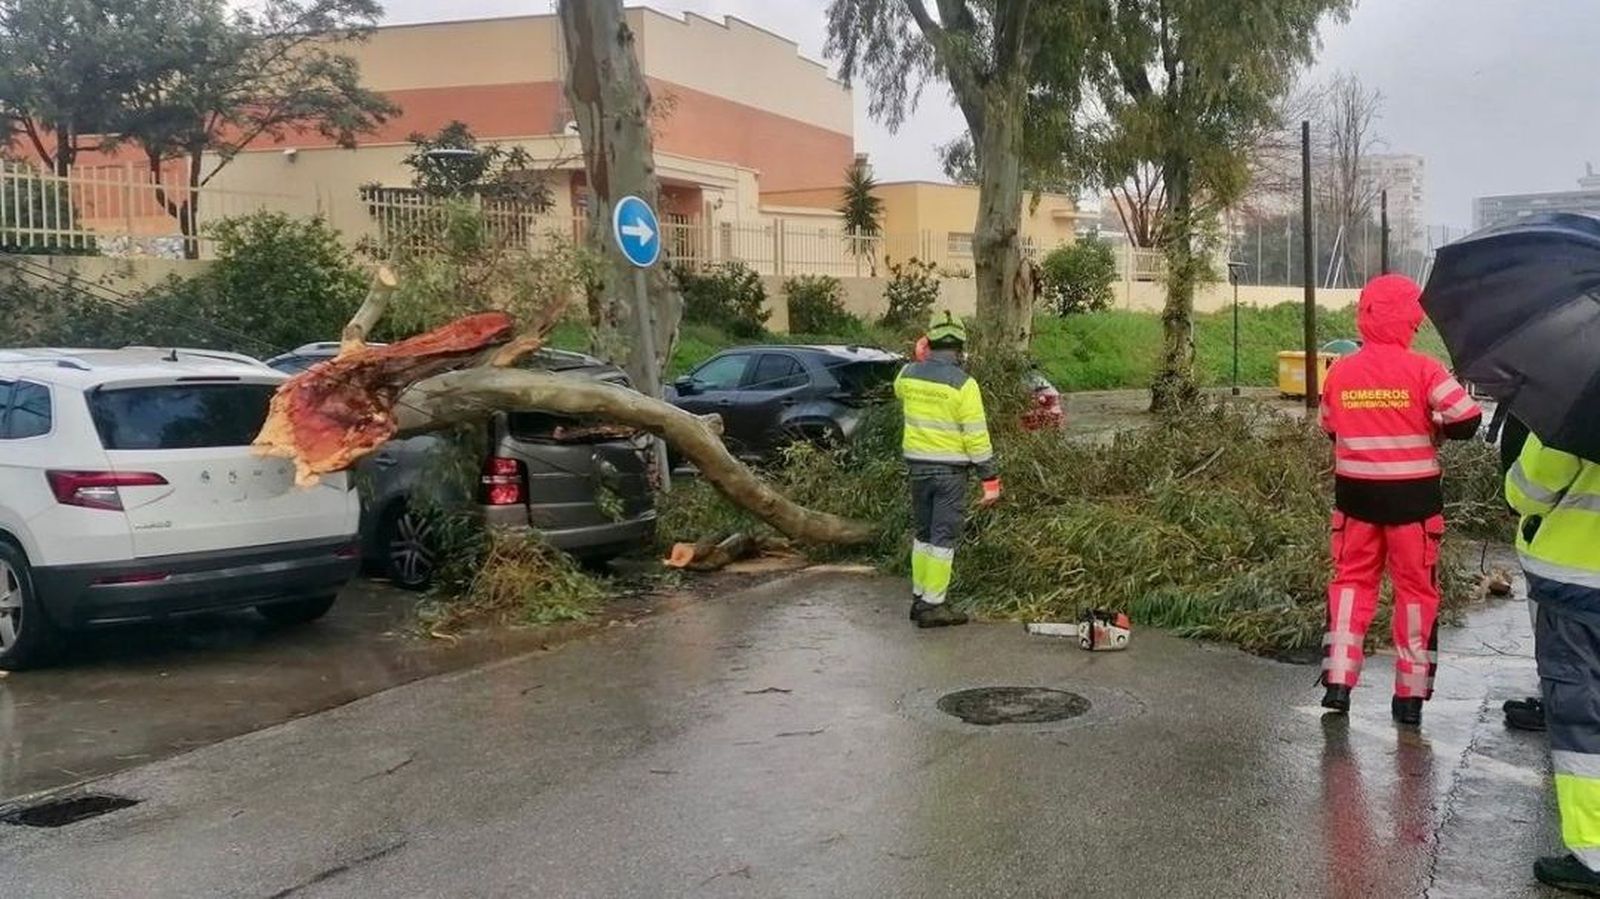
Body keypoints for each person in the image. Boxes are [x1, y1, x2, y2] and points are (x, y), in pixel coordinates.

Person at [1317, 274, 1484, 725]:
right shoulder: (1425, 369)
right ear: (1412, 316)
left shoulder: (1341, 371)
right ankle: (1408, 699)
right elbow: (1468, 418)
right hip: (1414, 506)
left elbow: (1330, 426)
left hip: (1355, 502)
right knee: (1415, 593)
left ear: (1365, 314)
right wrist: (1435, 426)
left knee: (1351, 585)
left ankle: (1338, 683)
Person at [1506, 433, 1600, 894]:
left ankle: (1593, 856)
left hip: (1578, 586)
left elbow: (1526, 490)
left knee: (1581, 721)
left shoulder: (1581, 402)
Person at [894, 311, 1001, 629]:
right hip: (950, 474)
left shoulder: (908, 375)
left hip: (918, 469)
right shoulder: (965, 385)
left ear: (929, 344)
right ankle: (934, 605)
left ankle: (919, 597)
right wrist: (990, 479)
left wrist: (918, 356)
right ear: (960, 349)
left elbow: (897, 389)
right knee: (943, 538)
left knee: (924, 535)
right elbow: (976, 436)